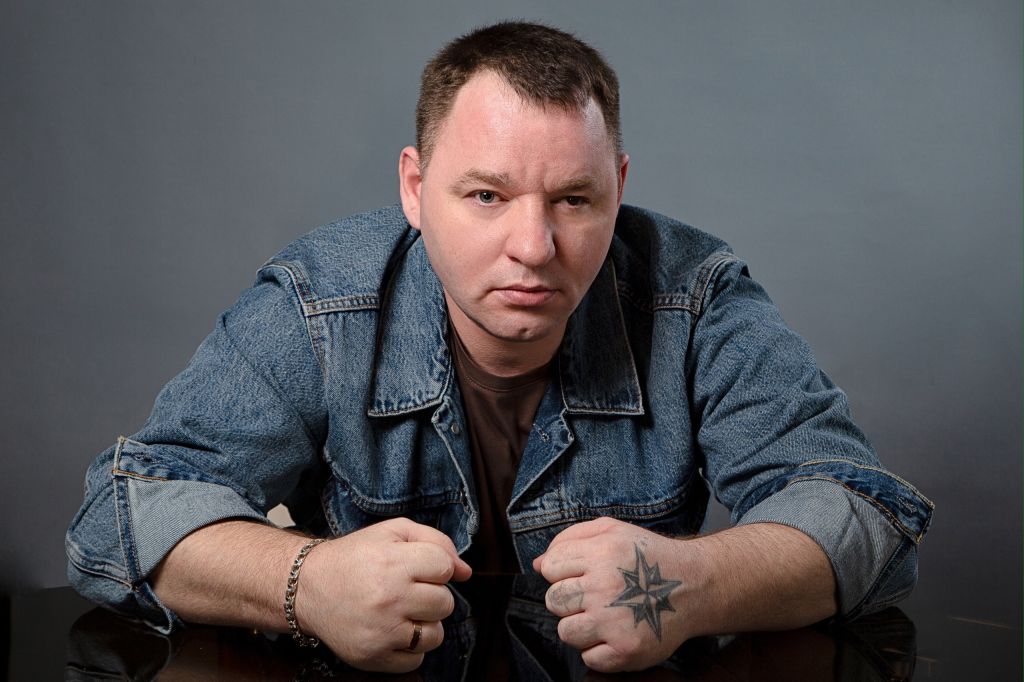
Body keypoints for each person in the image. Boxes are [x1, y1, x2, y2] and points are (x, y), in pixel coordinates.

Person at [66, 21, 933, 674]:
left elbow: (864, 515)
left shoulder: (694, 297)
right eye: (486, 195)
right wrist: (305, 581)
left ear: (618, 188)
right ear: (415, 188)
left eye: (573, 200)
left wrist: (689, 585)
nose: (533, 246)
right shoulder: (321, 301)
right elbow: (120, 513)